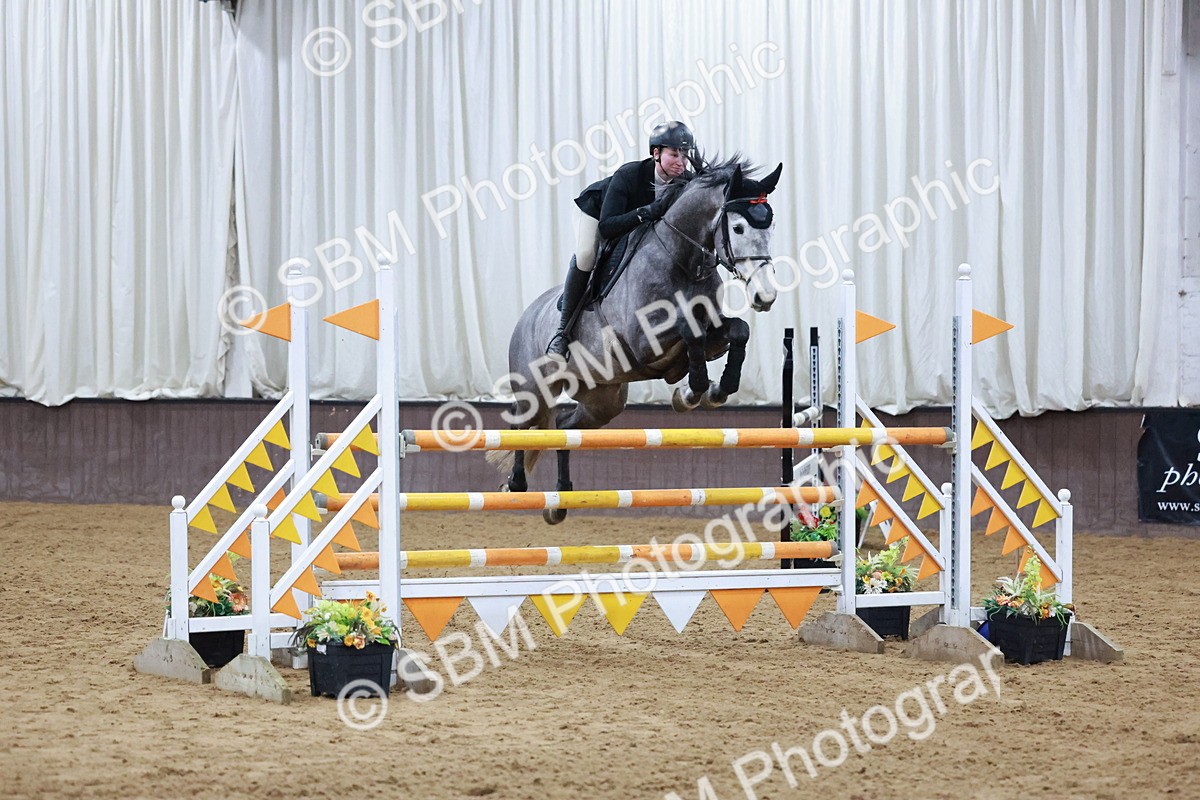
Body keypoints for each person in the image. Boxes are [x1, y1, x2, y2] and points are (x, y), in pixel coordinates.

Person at [546, 120, 696, 358]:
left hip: (634, 224)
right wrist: (646, 212)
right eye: (674, 154)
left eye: (685, 155)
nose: (681, 162)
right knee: (586, 254)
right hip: (596, 212)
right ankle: (562, 333)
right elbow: (607, 227)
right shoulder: (629, 175)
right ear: (656, 154)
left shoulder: (686, 182)